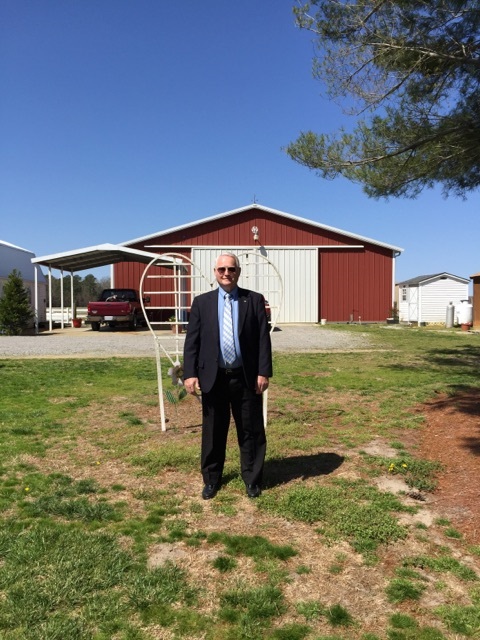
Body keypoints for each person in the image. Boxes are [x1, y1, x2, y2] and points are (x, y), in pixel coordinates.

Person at [183, 252, 272, 499]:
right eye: (221, 269)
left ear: (238, 272)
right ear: (215, 272)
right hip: (214, 378)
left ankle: (252, 479)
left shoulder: (253, 300)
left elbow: (263, 339)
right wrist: (189, 374)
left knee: (251, 430)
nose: (226, 273)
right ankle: (211, 479)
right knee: (213, 431)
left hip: (246, 377)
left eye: (231, 269)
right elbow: (192, 342)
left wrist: (263, 371)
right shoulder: (202, 303)